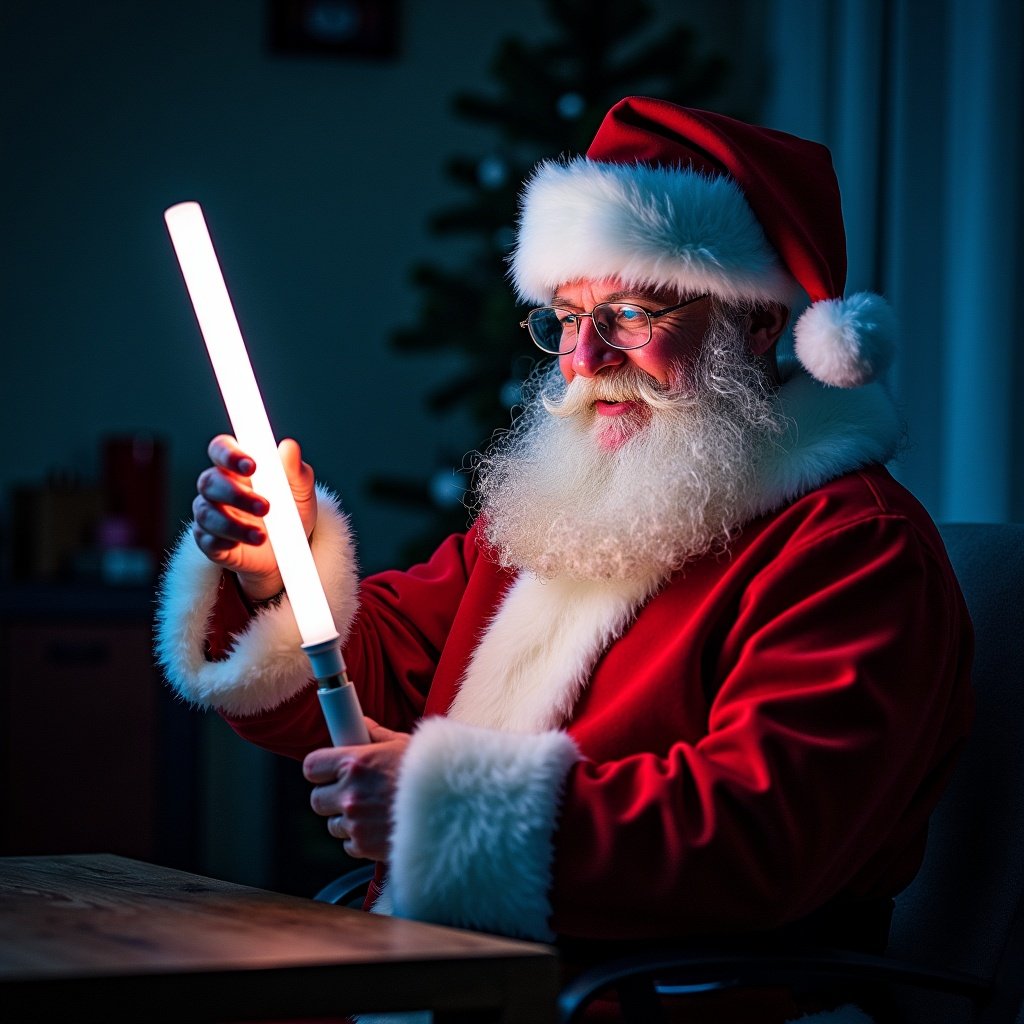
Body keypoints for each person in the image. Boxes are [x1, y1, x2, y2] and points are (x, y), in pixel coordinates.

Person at [156, 97, 972, 1023]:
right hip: (485, 978)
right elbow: (372, 673)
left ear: (755, 323)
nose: (584, 359)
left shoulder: (853, 547)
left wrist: (448, 813)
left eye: (631, 312)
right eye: (567, 316)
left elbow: (761, 835)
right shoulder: (570, 508)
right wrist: (275, 572)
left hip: (686, 1004)